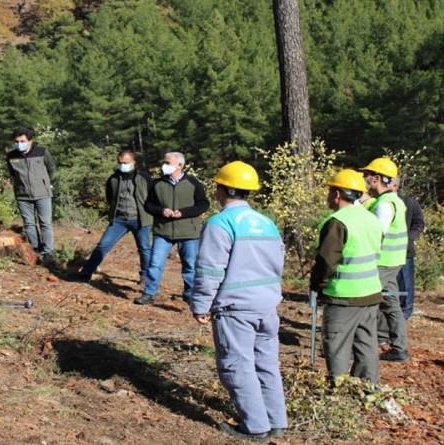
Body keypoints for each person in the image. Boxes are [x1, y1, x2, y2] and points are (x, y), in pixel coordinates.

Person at [190, 161, 287, 441]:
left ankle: (256, 428)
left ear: (222, 189)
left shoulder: (220, 223)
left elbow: (210, 269)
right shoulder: (266, 223)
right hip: (267, 306)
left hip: (236, 308)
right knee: (266, 364)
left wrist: (200, 304)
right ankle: (276, 421)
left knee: (237, 364)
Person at [310, 169, 383, 385]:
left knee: (337, 345)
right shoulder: (370, 219)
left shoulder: (337, 222)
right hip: (370, 292)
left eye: (330, 190)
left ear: (337, 194)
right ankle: (367, 388)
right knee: (366, 345)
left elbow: (326, 262)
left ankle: (340, 390)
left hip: (343, 295)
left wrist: (317, 286)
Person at [135, 152, 208, 305]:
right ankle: (149, 293)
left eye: (167, 163)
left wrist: (183, 213)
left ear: (180, 165)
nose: (164, 165)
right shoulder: (157, 183)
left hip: (189, 232)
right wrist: (161, 211)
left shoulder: (193, 183)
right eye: (164, 162)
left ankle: (190, 294)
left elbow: (203, 204)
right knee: (155, 264)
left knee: (190, 266)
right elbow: (148, 205)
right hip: (163, 231)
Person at [75, 150, 152, 282]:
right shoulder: (114, 179)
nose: (122, 165)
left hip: (140, 219)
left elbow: (153, 196)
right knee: (103, 245)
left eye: (126, 163)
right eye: (120, 162)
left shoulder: (144, 177)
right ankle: (86, 273)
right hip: (119, 220)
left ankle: (146, 277)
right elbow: (110, 198)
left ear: (134, 162)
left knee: (144, 248)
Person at [361, 157, 409, 361]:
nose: (365, 178)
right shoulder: (390, 201)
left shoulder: (385, 205)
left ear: (377, 178)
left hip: (382, 262)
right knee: (390, 303)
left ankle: (364, 348)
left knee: (365, 303)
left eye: (368, 175)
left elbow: (376, 233)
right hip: (393, 261)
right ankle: (399, 348)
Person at [6, 127, 56, 262]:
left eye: (22, 141)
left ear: (30, 141)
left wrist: (44, 182)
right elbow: (12, 174)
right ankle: (35, 249)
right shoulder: (11, 156)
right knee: (29, 223)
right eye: (16, 141)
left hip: (43, 193)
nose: (19, 144)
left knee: (45, 223)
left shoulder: (42, 152)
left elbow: (51, 168)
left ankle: (48, 252)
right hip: (22, 195)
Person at [392, 181, 424, 319]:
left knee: (405, 285)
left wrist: (408, 238)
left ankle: (404, 315)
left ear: (395, 186)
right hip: (383, 255)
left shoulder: (409, 202)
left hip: (405, 252)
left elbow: (419, 223)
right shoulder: (378, 203)